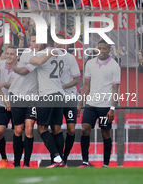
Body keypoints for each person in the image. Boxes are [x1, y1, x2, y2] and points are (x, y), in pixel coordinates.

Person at [77, 40, 121, 168]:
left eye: (104, 49)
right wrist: (80, 104)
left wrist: (112, 108)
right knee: (85, 129)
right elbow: (85, 85)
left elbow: (115, 89)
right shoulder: (90, 63)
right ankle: (85, 161)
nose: (101, 51)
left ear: (109, 50)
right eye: (99, 48)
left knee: (105, 133)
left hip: (106, 106)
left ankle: (106, 164)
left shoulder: (114, 66)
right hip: (91, 104)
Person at [28, 28, 66, 168]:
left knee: (42, 128)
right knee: (56, 129)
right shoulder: (62, 54)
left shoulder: (42, 54)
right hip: (59, 94)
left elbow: (35, 64)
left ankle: (56, 157)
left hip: (47, 95)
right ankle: (60, 160)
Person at [8, 33, 41, 167]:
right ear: (30, 43)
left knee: (29, 128)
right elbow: (25, 71)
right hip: (17, 95)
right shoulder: (28, 53)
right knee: (18, 129)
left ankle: (26, 163)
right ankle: (17, 162)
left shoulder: (43, 55)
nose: (36, 44)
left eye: (38, 41)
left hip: (33, 97)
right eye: (33, 41)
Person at [54, 33, 81, 166]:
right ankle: (58, 158)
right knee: (56, 129)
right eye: (56, 41)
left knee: (71, 129)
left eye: (61, 41)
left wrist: (63, 86)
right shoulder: (47, 57)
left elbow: (77, 79)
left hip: (70, 98)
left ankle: (65, 157)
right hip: (55, 98)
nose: (58, 44)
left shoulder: (70, 58)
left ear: (65, 43)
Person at [0, 45, 18, 167]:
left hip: (17, 104)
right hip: (3, 104)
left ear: (17, 56)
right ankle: (4, 158)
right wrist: (4, 98)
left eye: (11, 54)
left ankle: (18, 161)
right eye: (7, 53)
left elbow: (11, 86)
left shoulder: (21, 67)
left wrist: (2, 83)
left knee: (18, 132)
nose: (8, 56)